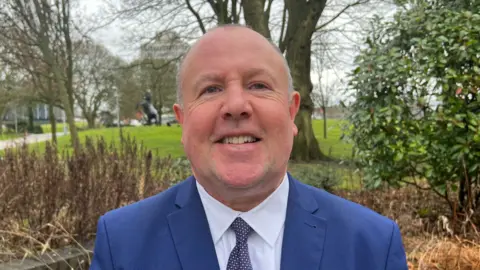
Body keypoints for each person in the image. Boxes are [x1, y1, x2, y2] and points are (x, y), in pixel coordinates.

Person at [90, 25, 408, 270]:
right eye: (211, 88)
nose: (237, 105)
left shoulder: (371, 246)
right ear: (182, 120)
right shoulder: (122, 244)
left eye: (258, 85)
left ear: (291, 112)